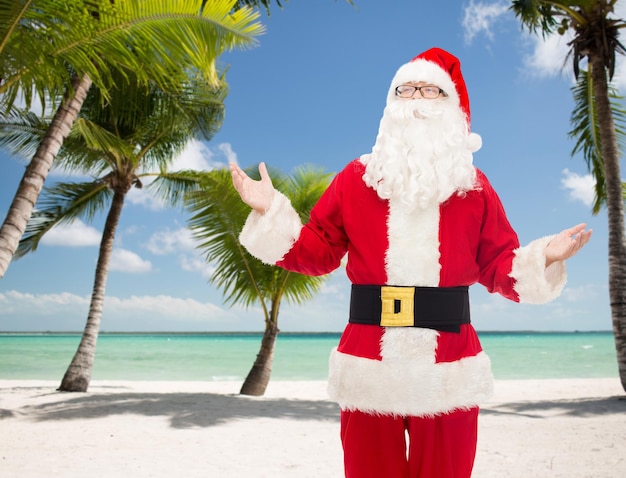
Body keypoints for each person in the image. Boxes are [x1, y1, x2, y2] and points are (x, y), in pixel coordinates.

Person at [229, 47, 591, 478]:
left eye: (430, 90)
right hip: (369, 362)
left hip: (449, 365)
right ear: (391, 103)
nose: (417, 99)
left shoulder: (474, 188)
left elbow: (498, 264)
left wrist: (544, 257)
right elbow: (318, 251)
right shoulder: (354, 179)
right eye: (407, 89)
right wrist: (271, 210)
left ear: (452, 107)